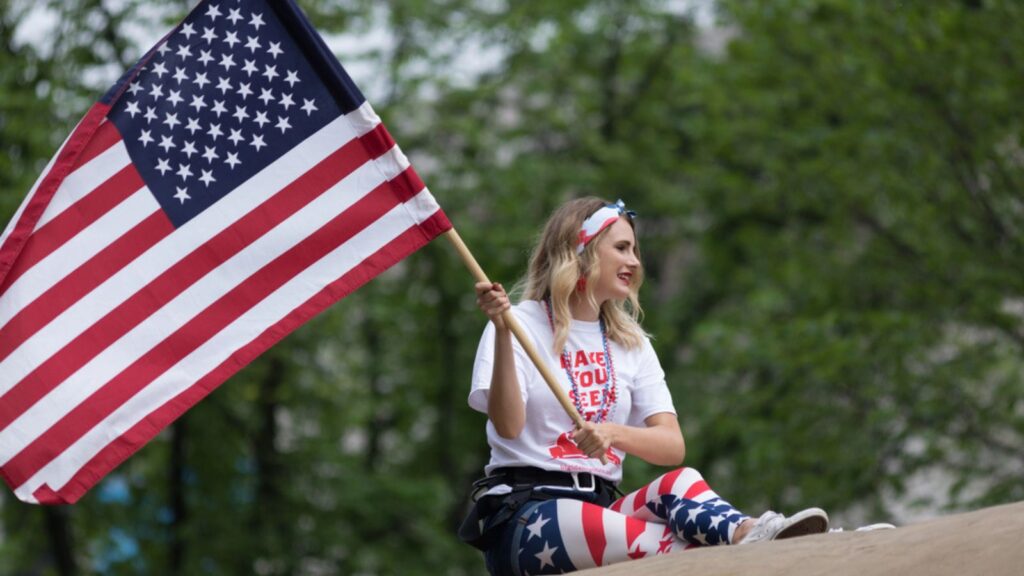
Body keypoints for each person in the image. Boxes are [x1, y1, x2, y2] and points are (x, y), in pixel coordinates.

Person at [458, 197, 830, 575]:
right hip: (528, 518)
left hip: (602, 510)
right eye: (621, 248)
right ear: (580, 251)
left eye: (635, 250)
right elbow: (507, 426)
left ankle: (758, 534)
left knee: (681, 482)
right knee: (678, 548)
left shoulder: (631, 341)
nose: (635, 262)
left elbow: (672, 446)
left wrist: (612, 435)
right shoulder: (516, 323)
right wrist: (504, 332)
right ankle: (787, 559)